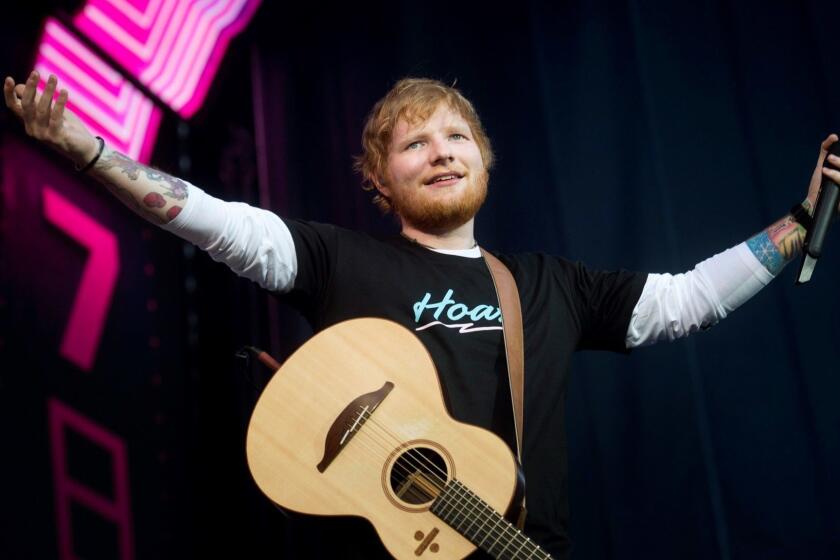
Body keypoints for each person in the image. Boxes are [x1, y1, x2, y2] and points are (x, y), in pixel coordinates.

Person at [5, 70, 838, 558]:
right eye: (414, 143)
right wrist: (93, 152)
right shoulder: (336, 260)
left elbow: (686, 299)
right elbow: (211, 218)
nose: (440, 150)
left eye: (456, 137)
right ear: (379, 180)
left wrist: (800, 226)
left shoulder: (546, 285)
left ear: (485, 159)